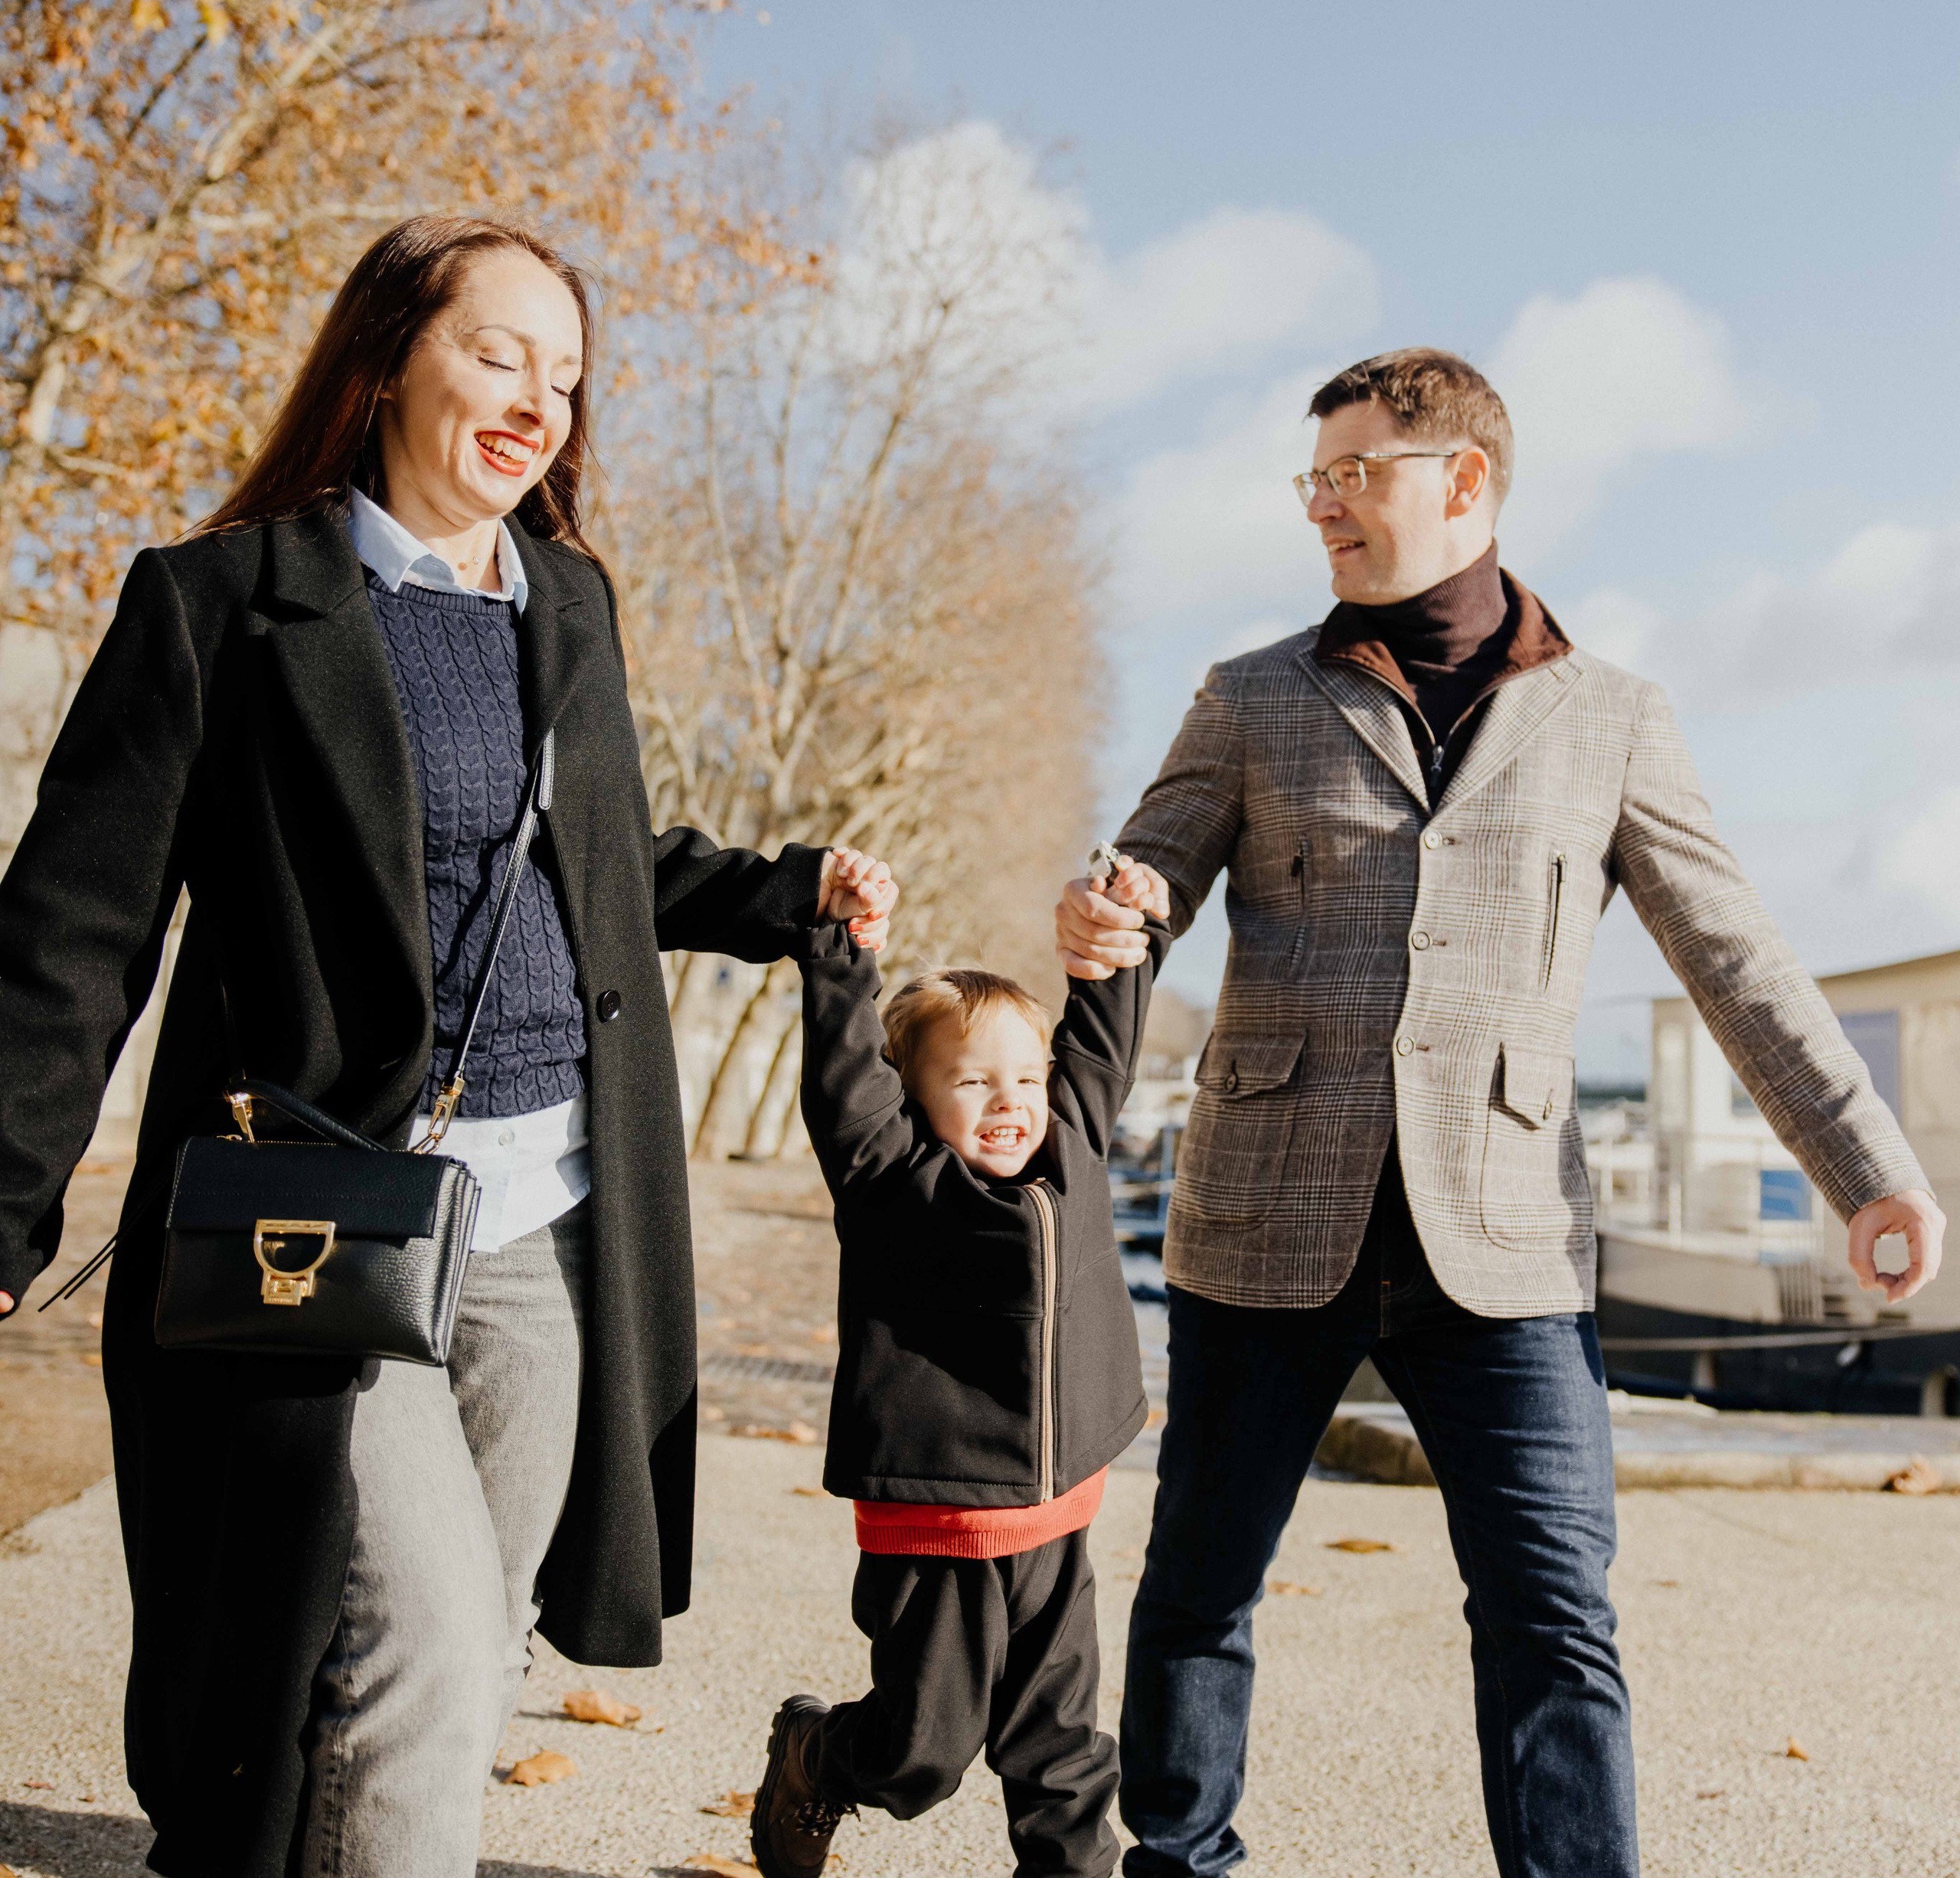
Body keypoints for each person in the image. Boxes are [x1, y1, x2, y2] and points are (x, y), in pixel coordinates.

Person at [0, 214, 897, 1878]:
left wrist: (784, 891)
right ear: (385, 358)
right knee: (404, 1651)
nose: (538, 399)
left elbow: (601, 867)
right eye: (498, 351)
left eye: (565, 374)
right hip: (320, 1214)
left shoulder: (566, 603)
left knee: (468, 1652)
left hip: (547, 1219)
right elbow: (74, 927)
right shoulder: (221, 604)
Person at [1054, 346, 1945, 1878]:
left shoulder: (1610, 717)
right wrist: (1110, 906)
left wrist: (1866, 1168)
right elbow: (1151, 866)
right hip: (1265, 1217)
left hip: (1508, 1238)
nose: (1320, 504)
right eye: (1310, 478)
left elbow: (1728, 956)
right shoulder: (1251, 695)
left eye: (1352, 473)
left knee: (1551, 1606)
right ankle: (1176, 1860)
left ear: (1460, 482)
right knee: (1199, 1583)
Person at [747, 857, 1173, 1878]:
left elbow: (1103, 1039)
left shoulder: (1072, 1144)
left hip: (1056, 1518)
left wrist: (1122, 931)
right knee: (919, 1754)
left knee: (1064, 1754)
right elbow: (843, 1080)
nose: (1009, 1101)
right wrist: (842, 949)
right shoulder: (890, 1177)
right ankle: (814, 1753)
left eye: (1025, 1078)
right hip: (937, 1522)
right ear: (912, 1094)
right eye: (973, 1080)